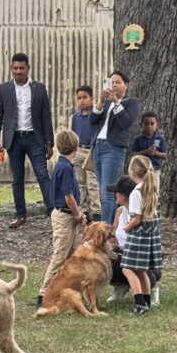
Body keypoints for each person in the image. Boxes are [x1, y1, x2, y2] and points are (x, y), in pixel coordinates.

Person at [0, 53, 54, 228]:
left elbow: (46, 116)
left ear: (28, 68)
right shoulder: (3, 89)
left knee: (42, 175)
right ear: (11, 68)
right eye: (15, 68)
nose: (18, 71)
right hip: (14, 140)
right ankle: (21, 215)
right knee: (17, 179)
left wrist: (49, 142)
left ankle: (52, 212)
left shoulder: (39, 89)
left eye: (21, 68)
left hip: (35, 139)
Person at [37, 129, 85, 309]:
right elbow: (68, 196)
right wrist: (78, 214)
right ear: (75, 146)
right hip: (64, 216)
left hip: (68, 215)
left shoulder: (64, 165)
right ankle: (44, 294)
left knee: (72, 255)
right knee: (60, 256)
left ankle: (70, 291)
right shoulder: (65, 168)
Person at [90, 70, 141, 223]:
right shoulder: (106, 103)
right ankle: (111, 224)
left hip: (113, 148)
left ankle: (105, 226)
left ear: (126, 85)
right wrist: (100, 102)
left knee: (107, 191)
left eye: (118, 82)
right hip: (98, 146)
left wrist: (117, 102)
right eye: (111, 82)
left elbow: (126, 122)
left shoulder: (131, 102)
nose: (114, 85)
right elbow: (92, 120)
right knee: (103, 189)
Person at [120, 154, 163, 315]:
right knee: (141, 270)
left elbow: (137, 218)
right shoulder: (151, 189)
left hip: (138, 236)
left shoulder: (136, 193)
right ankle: (146, 302)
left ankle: (139, 303)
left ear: (132, 172)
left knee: (128, 269)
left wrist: (126, 228)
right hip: (149, 235)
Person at [70, 85, 101, 220]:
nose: (82, 101)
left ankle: (96, 211)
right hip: (78, 150)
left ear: (91, 98)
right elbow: (73, 134)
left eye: (85, 97)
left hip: (91, 150)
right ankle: (83, 210)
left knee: (92, 183)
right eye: (79, 98)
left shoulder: (96, 114)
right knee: (79, 182)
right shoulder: (76, 116)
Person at [130, 111, 168, 191]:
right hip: (141, 171)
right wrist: (145, 152)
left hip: (155, 170)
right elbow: (133, 154)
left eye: (152, 124)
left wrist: (156, 153)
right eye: (146, 124)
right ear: (141, 125)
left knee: (154, 191)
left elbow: (164, 155)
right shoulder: (138, 139)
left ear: (156, 124)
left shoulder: (160, 138)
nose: (149, 126)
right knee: (141, 191)